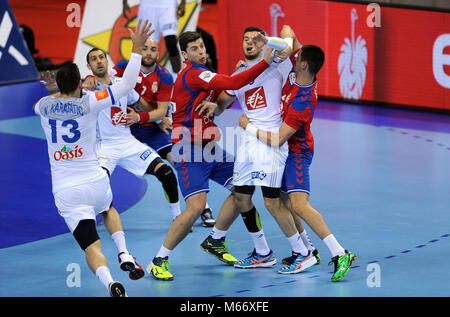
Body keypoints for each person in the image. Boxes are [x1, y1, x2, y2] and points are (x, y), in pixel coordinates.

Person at [33, 19, 153, 296]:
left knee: (92, 246)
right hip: (94, 180)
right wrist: (135, 50)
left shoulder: (43, 106)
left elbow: (50, 100)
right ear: (79, 83)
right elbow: (125, 88)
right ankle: (124, 253)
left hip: (66, 189)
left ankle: (110, 282)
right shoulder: (90, 102)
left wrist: (56, 90)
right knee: (108, 209)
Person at [146, 30, 274, 281]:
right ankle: (158, 260)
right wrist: (265, 62)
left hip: (210, 150)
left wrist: (234, 79)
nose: (201, 52)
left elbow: (224, 95)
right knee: (195, 208)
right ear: (184, 55)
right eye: (194, 49)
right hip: (189, 151)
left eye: (202, 46)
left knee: (242, 189)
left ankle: (218, 239)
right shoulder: (193, 74)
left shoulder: (203, 75)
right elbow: (234, 84)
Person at [196, 26, 320, 274]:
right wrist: (213, 106)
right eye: (245, 39)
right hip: (248, 143)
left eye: (255, 39)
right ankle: (263, 253)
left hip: (272, 141)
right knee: (241, 196)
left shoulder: (280, 63)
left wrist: (280, 44)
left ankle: (303, 252)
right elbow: (224, 103)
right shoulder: (239, 73)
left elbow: (289, 34)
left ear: (265, 44)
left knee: (273, 203)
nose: (249, 43)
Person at [238, 36, 357, 281]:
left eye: (297, 57)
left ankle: (339, 252)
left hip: (297, 152)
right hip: (284, 152)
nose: (293, 56)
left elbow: (277, 139)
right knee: (284, 202)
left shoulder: (303, 102)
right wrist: (273, 42)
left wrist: (248, 126)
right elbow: (289, 34)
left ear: (303, 65)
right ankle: (307, 249)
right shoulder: (297, 70)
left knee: (299, 205)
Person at [111, 38, 215, 227]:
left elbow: (160, 111)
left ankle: (204, 207)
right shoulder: (123, 68)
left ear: (158, 55)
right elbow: (103, 79)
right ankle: (101, 209)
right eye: (145, 48)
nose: (149, 53)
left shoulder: (164, 76)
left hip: (155, 129)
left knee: (179, 163)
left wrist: (143, 117)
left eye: (153, 49)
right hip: (126, 131)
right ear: (137, 51)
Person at [83, 46, 182, 225]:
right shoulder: (86, 90)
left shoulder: (123, 84)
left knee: (166, 172)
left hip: (127, 143)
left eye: (101, 57)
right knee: (99, 184)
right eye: (93, 59)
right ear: (89, 66)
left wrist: (160, 120)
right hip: (103, 146)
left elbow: (142, 104)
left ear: (107, 61)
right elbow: (66, 96)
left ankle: (177, 216)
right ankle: (97, 218)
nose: (98, 61)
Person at [123, 0, 185, 75]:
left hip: (167, 3)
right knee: (145, 43)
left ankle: (178, 76)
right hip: (148, 4)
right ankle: (141, 77)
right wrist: (124, 2)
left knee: (171, 42)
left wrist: (183, 2)